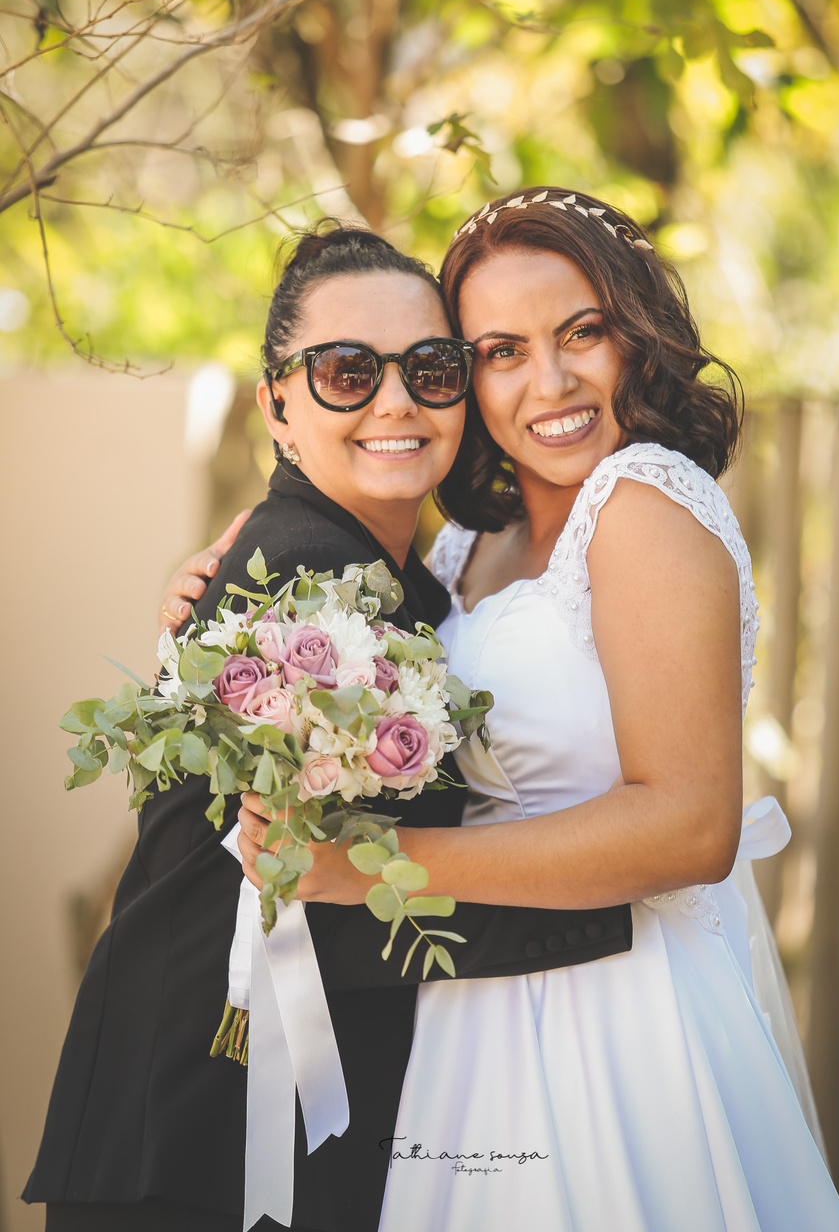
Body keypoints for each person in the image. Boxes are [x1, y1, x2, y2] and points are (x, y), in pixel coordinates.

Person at [235, 189, 839, 1231]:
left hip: (616, 1013)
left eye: (581, 333)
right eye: (502, 352)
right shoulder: (465, 546)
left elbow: (691, 826)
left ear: (636, 338)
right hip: (474, 1013)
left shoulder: (644, 501)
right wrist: (223, 557)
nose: (551, 383)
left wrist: (375, 868)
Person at [24, 224, 634, 1232]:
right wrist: (623, 919)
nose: (395, 401)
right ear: (277, 403)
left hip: (229, 1125)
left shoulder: (386, 574)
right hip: (204, 1134)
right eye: (348, 372)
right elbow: (340, 896)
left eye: (430, 369)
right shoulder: (313, 577)